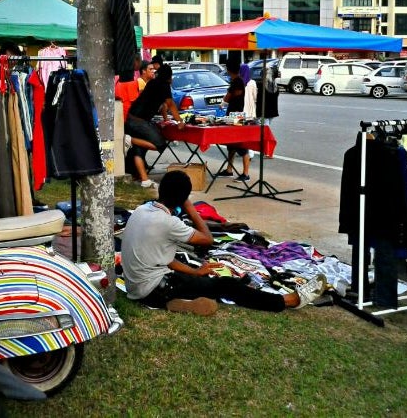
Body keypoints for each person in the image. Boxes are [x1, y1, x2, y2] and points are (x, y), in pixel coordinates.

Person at [121, 170, 327, 315]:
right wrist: (190, 207)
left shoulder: (142, 211)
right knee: (227, 285)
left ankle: (178, 302)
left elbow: (160, 258)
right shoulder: (169, 222)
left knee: (195, 274)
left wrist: (194, 272)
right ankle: (287, 301)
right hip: (156, 289)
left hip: (137, 288)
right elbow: (207, 239)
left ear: (161, 191)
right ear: (183, 199)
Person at [125, 64, 185, 188]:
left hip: (132, 117)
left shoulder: (153, 83)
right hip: (139, 121)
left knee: (139, 149)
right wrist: (179, 121)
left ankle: (144, 180)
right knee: (159, 144)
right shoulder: (164, 85)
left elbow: (163, 104)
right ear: (169, 76)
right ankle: (129, 139)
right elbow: (170, 104)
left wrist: (166, 119)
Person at [217, 58, 251, 182]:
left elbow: (229, 96)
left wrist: (223, 102)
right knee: (231, 145)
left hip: (237, 117)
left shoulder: (237, 82)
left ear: (228, 69)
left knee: (241, 145)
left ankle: (245, 174)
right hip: (233, 116)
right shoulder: (237, 81)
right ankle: (229, 169)